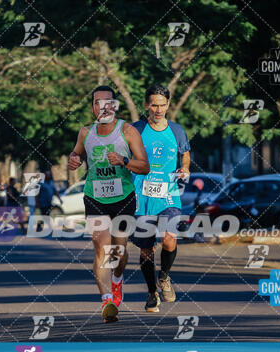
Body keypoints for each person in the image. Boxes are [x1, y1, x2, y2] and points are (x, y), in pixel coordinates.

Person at [68, 85, 149, 323]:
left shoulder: (128, 131)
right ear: (93, 107)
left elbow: (144, 166)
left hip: (123, 198)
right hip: (95, 196)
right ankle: (107, 301)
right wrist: (74, 160)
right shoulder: (85, 132)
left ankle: (116, 281)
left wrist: (124, 161)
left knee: (118, 252)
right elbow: (76, 154)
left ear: (114, 106)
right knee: (102, 249)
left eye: (108, 102)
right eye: (97, 102)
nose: (103, 106)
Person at [132, 84, 191, 312]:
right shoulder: (135, 129)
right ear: (147, 105)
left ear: (168, 105)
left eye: (163, 105)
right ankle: (151, 293)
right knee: (146, 250)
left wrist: (184, 168)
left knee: (169, 238)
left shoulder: (176, 131)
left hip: (168, 196)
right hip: (141, 197)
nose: (158, 109)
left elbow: (184, 155)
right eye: (154, 105)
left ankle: (164, 277)